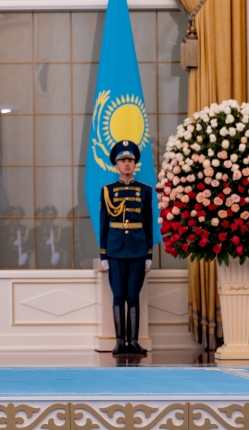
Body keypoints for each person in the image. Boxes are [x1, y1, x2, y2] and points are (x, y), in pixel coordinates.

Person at [99, 140, 154, 356]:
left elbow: (148, 223)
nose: (127, 164)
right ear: (116, 165)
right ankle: (120, 342)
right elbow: (103, 224)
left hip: (138, 249)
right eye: (123, 160)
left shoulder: (145, 191)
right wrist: (103, 252)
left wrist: (149, 252)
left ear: (135, 164)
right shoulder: (108, 191)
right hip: (115, 250)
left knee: (133, 296)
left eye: (130, 160)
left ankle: (133, 342)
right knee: (117, 296)